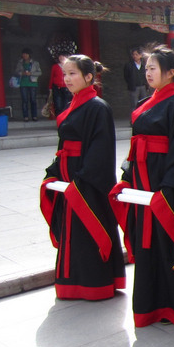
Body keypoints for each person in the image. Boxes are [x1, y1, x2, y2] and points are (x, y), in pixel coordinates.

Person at [110, 45, 174, 328]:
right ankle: (150, 307)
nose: (147, 72)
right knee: (146, 247)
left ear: (171, 73)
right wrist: (127, 177)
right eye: (146, 68)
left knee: (169, 245)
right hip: (142, 185)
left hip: (164, 189)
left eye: (153, 68)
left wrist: (167, 189)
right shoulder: (143, 104)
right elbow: (133, 147)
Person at [40, 55, 126, 300]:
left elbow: (100, 151)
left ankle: (94, 285)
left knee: (87, 234)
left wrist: (81, 181)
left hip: (85, 183)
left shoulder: (98, 107)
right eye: (65, 74)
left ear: (89, 77)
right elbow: (63, 145)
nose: (67, 79)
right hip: (69, 180)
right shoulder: (73, 105)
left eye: (73, 74)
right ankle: (71, 284)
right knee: (72, 234)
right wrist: (54, 173)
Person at [16, 48, 42, 122]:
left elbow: (39, 72)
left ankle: (34, 116)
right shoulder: (20, 63)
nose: (24, 55)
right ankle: (25, 116)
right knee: (24, 100)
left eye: (26, 54)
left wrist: (31, 73)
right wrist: (22, 73)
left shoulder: (35, 63)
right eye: (23, 54)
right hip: (23, 83)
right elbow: (16, 71)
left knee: (33, 100)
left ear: (29, 55)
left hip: (33, 83)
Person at [123, 46, 149, 116]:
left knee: (144, 103)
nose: (134, 56)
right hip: (134, 87)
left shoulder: (144, 65)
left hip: (143, 86)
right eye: (133, 54)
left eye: (136, 54)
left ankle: (143, 118)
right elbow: (126, 76)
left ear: (140, 55)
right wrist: (130, 83)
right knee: (134, 104)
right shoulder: (129, 65)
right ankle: (134, 120)